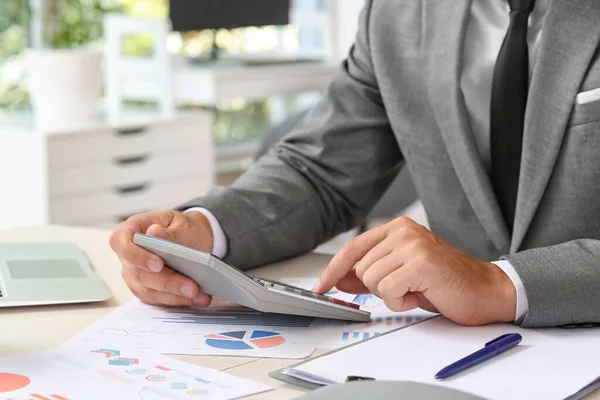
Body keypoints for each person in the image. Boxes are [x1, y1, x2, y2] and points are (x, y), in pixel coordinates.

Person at [110, 0, 600, 328]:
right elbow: (322, 171)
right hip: (454, 353)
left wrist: (501, 284)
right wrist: (203, 232)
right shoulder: (397, 11)